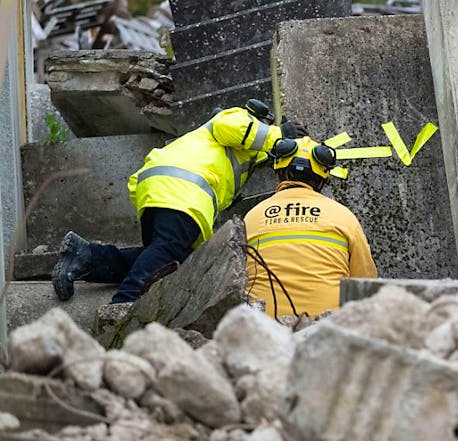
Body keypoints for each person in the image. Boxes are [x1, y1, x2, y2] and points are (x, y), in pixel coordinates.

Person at [52, 100, 306, 304]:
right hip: (182, 191)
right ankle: (124, 304)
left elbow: (262, 152)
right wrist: (280, 133)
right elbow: (235, 127)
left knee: (167, 260)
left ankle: (87, 257)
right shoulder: (235, 117)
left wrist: (289, 147)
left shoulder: (228, 152)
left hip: (161, 189)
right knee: (167, 251)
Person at [244, 135, 377, 318]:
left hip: (265, 328)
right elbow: (366, 284)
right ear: (322, 179)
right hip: (328, 328)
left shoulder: (252, 217)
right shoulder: (343, 216)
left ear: (278, 173)